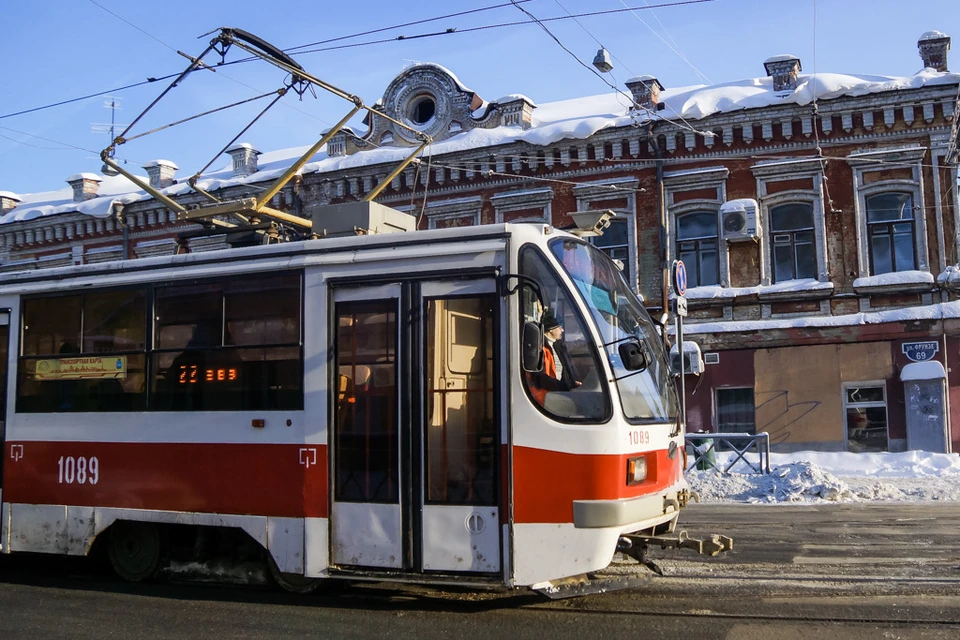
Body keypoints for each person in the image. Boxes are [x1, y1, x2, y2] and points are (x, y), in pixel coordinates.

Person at [527, 309, 580, 405]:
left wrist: (572, 383)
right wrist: (563, 387)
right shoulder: (540, 348)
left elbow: (565, 371)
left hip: (558, 391)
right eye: (560, 327)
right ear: (551, 329)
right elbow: (541, 378)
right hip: (547, 395)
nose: (562, 330)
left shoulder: (558, 345)